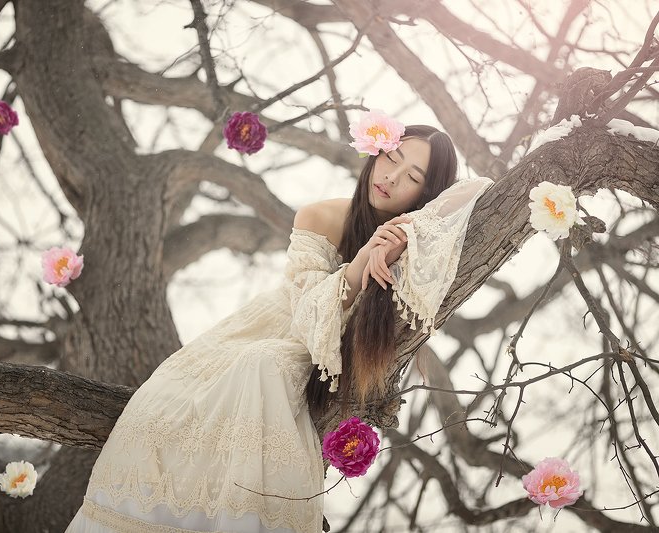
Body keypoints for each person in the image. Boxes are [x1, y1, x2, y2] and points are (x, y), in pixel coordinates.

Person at [64, 114, 492, 533]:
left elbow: (480, 189)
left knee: (262, 368)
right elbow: (307, 311)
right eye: (391, 158)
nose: (392, 177)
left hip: (314, 353)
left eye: (413, 177)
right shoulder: (321, 216)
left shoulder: (418, 238)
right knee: (245, 371)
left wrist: (407, 227)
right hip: (277, 328)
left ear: (425, 192)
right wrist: (360, 264)